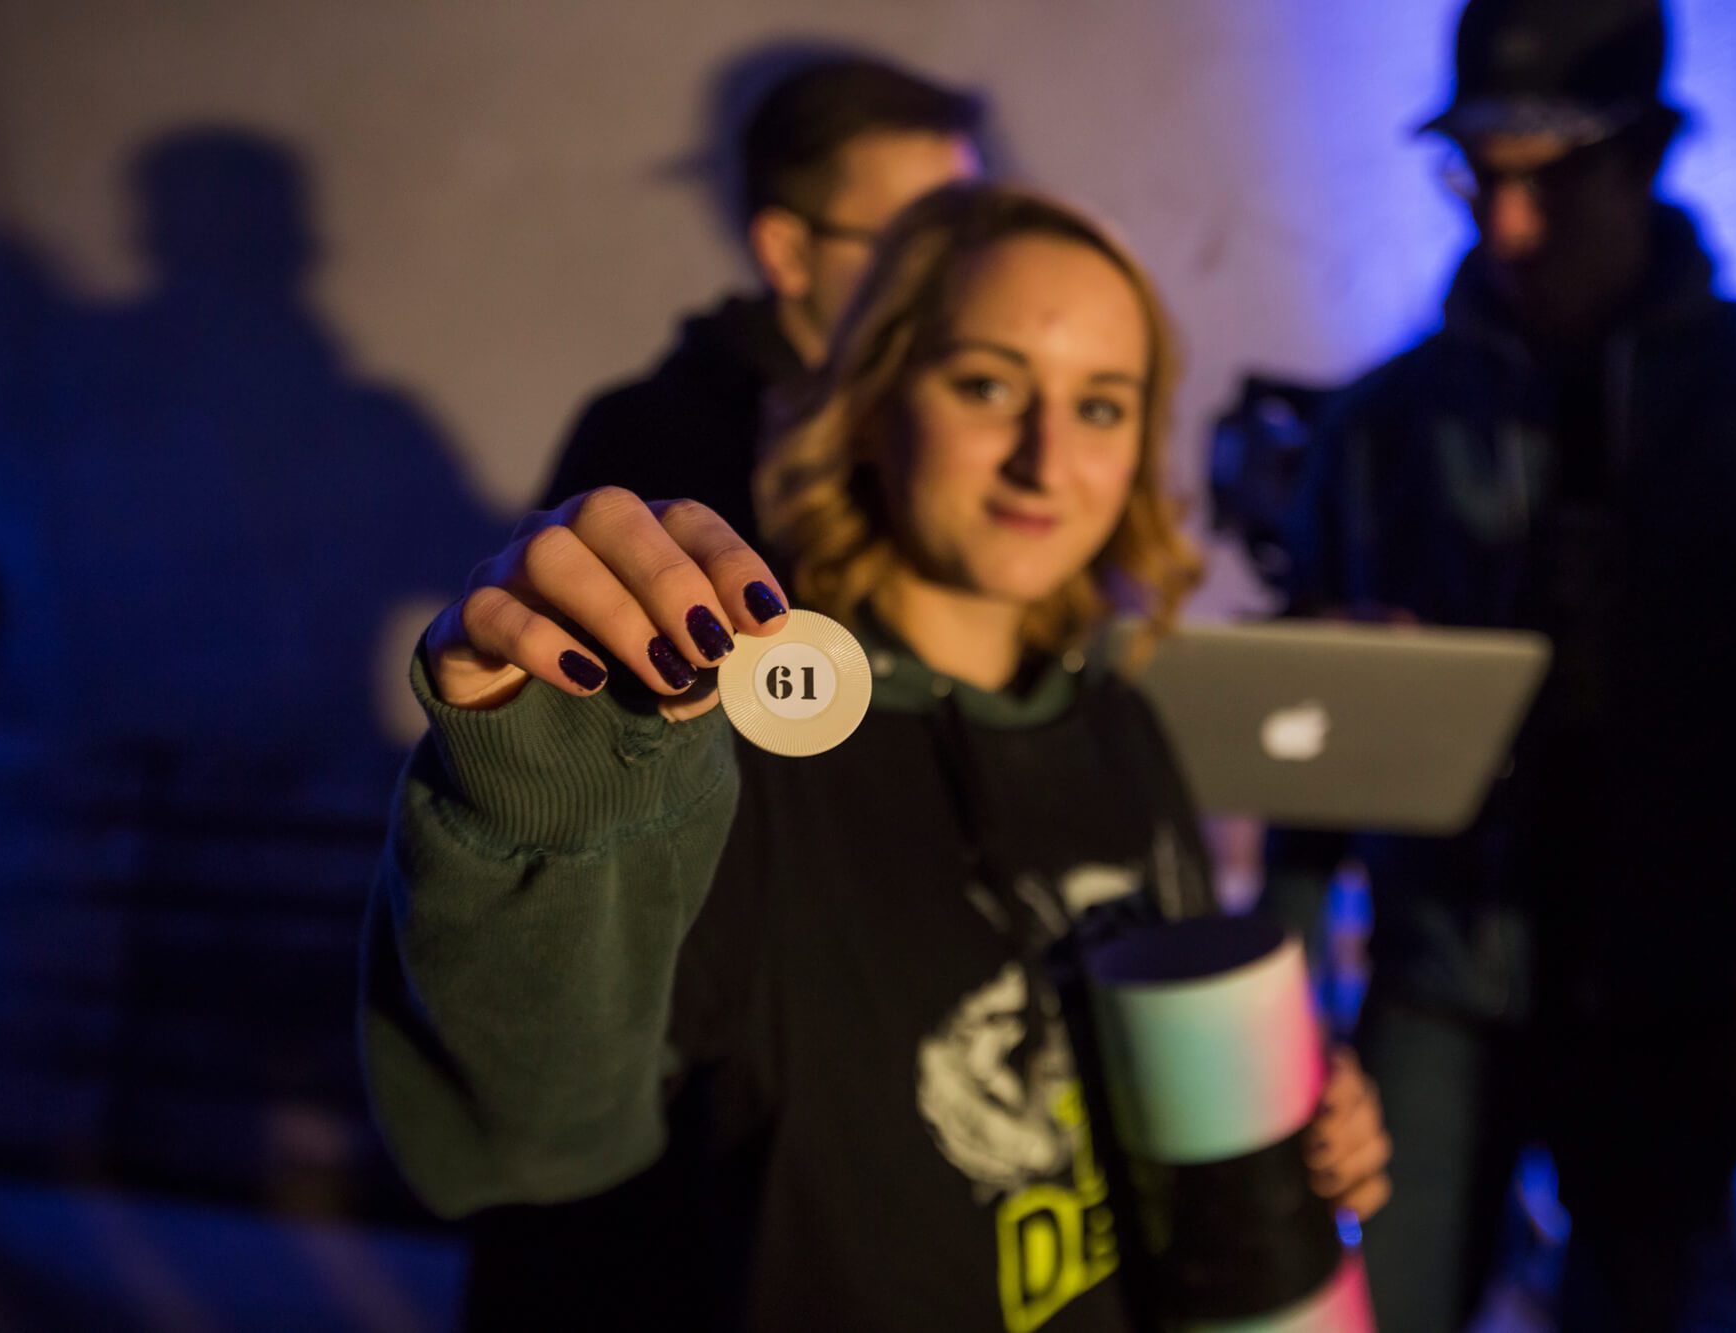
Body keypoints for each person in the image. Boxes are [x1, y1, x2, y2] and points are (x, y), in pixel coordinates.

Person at [364, 183, 1393, 1332]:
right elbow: (527, 1145)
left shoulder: (1114, 720)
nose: (1044, 460)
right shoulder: (728, 745)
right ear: (869, 399)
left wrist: (1283, 1103)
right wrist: (539, 803)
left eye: (1101, 407)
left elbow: (1159, 1061)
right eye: (987, 386)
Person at [1268, 0, 1736, 1329]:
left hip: (1695, 986)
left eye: (1549, 179)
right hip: (1441, 973)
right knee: (1371, 1298)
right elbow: (1299, 743)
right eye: (1476, 176)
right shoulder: (1379, 428)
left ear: (1645, 156)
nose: (1505, 225)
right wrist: (1284, 991)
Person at [536, 55, 985, 541]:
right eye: (910, 244)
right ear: (785, 252)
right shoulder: (650, 441)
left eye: (974, 238)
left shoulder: (956, 418)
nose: (959, 270)